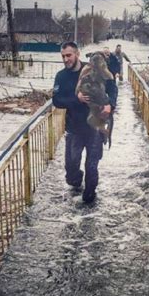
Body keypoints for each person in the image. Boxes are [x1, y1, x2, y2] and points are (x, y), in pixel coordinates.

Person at [52, 42, 118, 203]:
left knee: (92, 166)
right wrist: (77, 98)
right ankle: (76, 182)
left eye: (69, 55)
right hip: (74, 128)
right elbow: (57, 100)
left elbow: (112, 87)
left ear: (77, 54)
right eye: (63, 56)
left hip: (95, 127)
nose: (66, 59)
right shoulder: (61, 76)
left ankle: (89, 199)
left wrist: (111, 105)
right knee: (71, 169)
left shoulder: (93, 69)